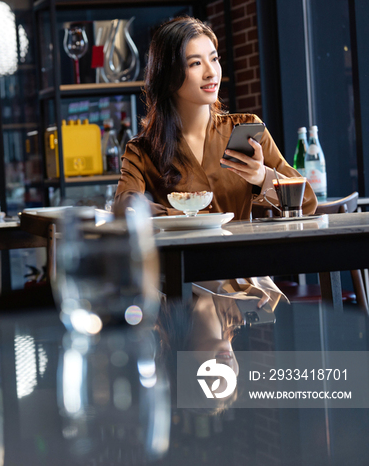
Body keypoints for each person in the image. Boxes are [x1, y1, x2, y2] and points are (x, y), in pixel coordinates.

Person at [114, 16, 317, 314]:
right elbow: (124, 206)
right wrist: (179, 217)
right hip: (181, 281)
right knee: (201, 303)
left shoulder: (247, 129)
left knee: (209, 305)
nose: (211, 72)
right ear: (168, 74)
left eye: (214, 58)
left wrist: (262, 176)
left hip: (244, 274)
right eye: (195, 63)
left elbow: (308, 202)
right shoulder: (143, 150)